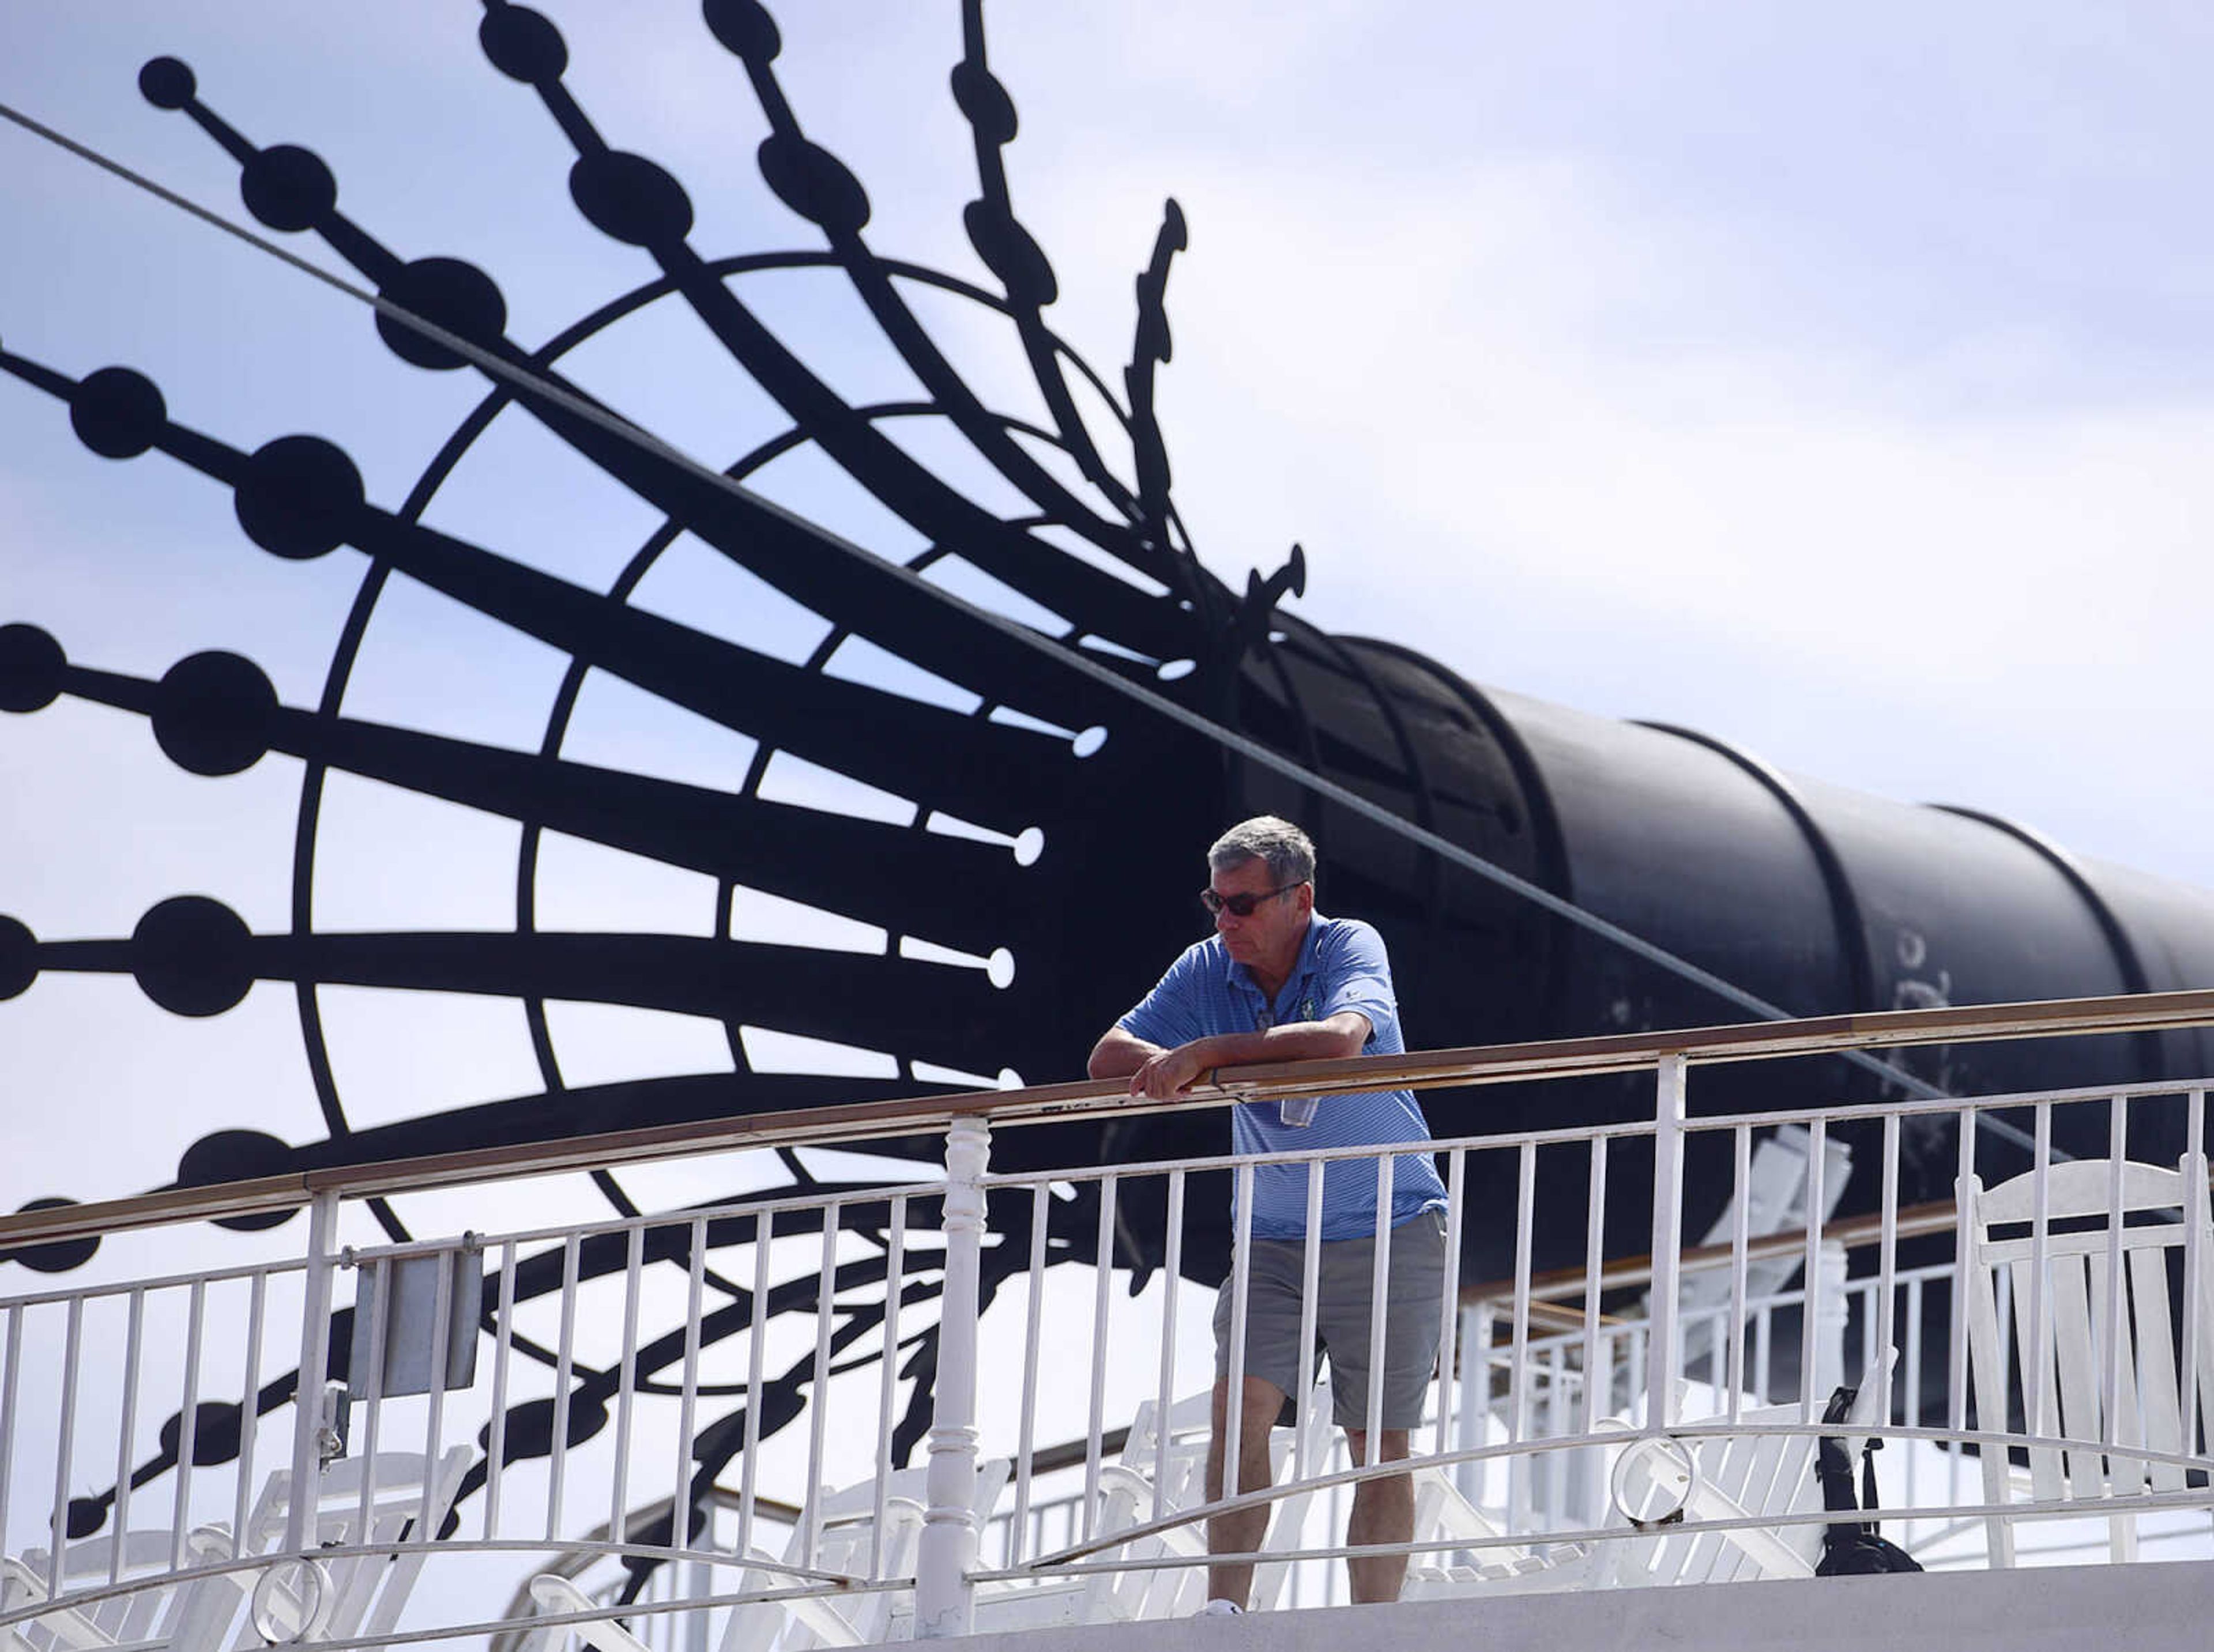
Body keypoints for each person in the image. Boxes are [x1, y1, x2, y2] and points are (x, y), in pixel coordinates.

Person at [1087, 816, 1449, 1610]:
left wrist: (1209, 1052)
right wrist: (1187, 1058)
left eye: (1244, 904)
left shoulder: (1351, 943)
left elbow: (1342, 1038)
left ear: (1299, 898)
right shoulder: (1209, 964)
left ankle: (1373, 1625)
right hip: (1275, 1233)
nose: (1226, 921)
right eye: (1216, 902)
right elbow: (1109, 1054)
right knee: (1239, 1410)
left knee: (1379, 1442)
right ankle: (1226, 1611)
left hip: (1389, 1219)